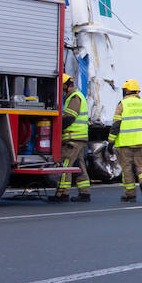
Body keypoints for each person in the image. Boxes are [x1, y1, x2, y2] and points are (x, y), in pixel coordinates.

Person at [50, 73, 92, 203]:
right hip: (78, 138)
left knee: (65, 165)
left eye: (61, 86)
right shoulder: (75, 96)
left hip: (73, 138)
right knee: (79, 166)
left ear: (65, 85)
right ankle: (84, 193)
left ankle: (62, 194)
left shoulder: (74, 97)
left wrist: (56, 129)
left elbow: (69, 117)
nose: (60, 89)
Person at [109, 79, 142, 202]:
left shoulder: (122, 104)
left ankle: (130, 195)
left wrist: (111, 141)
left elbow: (116, 125)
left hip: (125, 144)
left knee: (127, 169)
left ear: (127, 91)